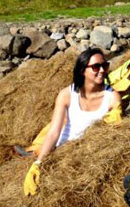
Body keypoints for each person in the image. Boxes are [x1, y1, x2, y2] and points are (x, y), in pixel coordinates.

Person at [22, 48, 122, 196]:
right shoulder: (66, 94)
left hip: (86, 153)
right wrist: (38, 163)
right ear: (82, 70)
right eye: (95, 67)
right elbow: (54, 131)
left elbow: (112, 133)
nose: (101, 70)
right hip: (61, 149)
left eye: (105, 65)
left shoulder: (112, 97)